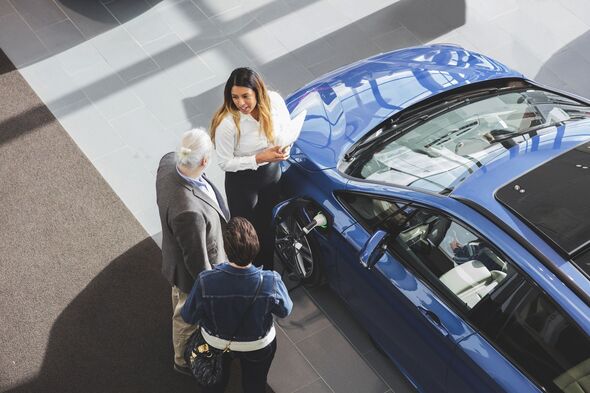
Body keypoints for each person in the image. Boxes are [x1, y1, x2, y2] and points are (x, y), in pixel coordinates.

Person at [181, 217, 293, 393]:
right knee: (254, 385)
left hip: (215, 342)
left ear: (226, 249)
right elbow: (285, 310)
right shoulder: (271, 281)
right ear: (256, 246)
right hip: (258, 344)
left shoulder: (206, 281)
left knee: (214, 385)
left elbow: (188, 315)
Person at [156, 128, 230, 376]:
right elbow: (197, 261)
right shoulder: (189, 212)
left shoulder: (167, 162)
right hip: (188, 271)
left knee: (178, 300)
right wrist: (211, 289)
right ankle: (182, 360)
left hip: (174, 253)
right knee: (186, 316)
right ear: (205, 161)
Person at [210, 67, 292, 269]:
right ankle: (247, 273)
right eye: (235, 97)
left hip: (271, 174)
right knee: (245, 235)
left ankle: (268, 271)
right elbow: (224, 163)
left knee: (268, 227)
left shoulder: (274, 102)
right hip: (242, 182)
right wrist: (258, 158)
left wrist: (287, 146)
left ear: (258, 92)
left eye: (245, 96)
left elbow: (287, 127)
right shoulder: (228, 123)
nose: (240, 103)